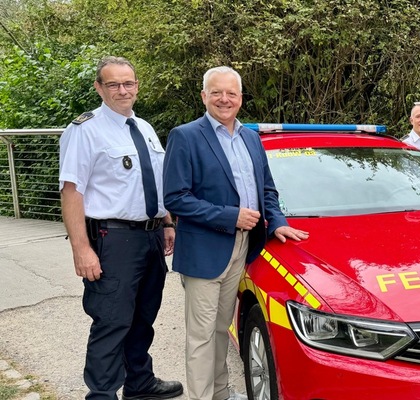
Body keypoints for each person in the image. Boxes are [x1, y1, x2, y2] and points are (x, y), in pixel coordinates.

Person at [163, 66, 309, 400]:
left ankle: (220, 393)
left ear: (240, 99)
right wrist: (231, 217)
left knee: (219, 329)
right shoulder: (185, 136)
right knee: (200, 335)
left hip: (243, 246)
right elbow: (175, 198)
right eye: (216, 92)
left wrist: (278, 221)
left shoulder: (250, 138)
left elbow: (267, 190)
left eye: (231, 93)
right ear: (204, 96)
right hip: (204, 251)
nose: (224, 99)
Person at [59, 56, 183, 400]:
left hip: (152, 236)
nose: (122, 90)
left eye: (128, 83)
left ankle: (140, 383)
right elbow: (71, 191)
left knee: (144, 316)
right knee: (112, 320)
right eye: (113, 84)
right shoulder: (84, 130)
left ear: (137, 86)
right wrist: (81, 248)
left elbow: (155, 182)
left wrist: (167, 221)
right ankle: (101, 394)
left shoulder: (143, 127)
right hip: (113, 238)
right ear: (99, 88)